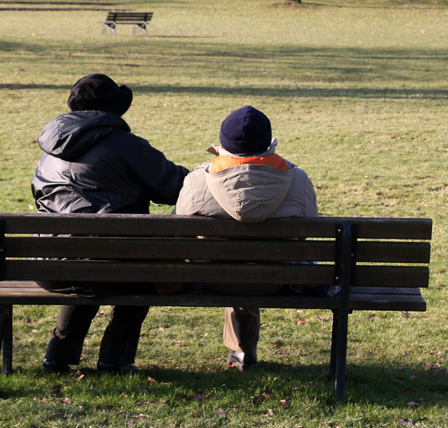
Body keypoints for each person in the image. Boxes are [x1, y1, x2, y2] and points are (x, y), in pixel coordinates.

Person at [31, 73, 189, 374]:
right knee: (134, 267)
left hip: (48, 267)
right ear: (112, 111)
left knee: (86, 259)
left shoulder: (49, 149)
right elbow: (173, 187)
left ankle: (57, 356)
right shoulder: (123, 144)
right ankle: (115, 360)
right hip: (109, 263)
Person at [174, 106, 318, 371]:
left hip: (211, 279)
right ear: (267, 141)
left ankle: (240, 352)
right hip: (278, 279)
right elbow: (307, 230)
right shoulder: (297, 180)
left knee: (234, 267)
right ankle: (243, 352)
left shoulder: (197, 181)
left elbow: (180, 229)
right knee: (251, 266)